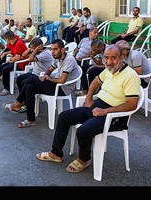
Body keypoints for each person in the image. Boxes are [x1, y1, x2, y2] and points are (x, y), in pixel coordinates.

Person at [35, 44, 140, 173]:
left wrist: (105, 111)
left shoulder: (131, 75)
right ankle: (56, 153)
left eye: (113, 58)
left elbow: (132, 104)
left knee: (84, 131)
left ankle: (84, 160)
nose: (108, 62)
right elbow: (96, 81)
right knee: (64, 117)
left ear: (122, 57)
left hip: (115, 116)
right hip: (98, 107)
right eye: (106, 58)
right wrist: (88, 98)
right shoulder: (109, 70)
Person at [2, 39, 81, 128]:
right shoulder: (57, 58)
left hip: (63, 89)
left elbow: (62, 80)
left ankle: (17, 104)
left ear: (62, 50)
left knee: (31, 78)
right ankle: (31, 120)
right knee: (30, 87)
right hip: (55, 84)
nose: (53, 52)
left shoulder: (69, 60)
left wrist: (49, 78)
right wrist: (45, 76)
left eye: (55, 49)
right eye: (52, 49)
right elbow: (50, 70)